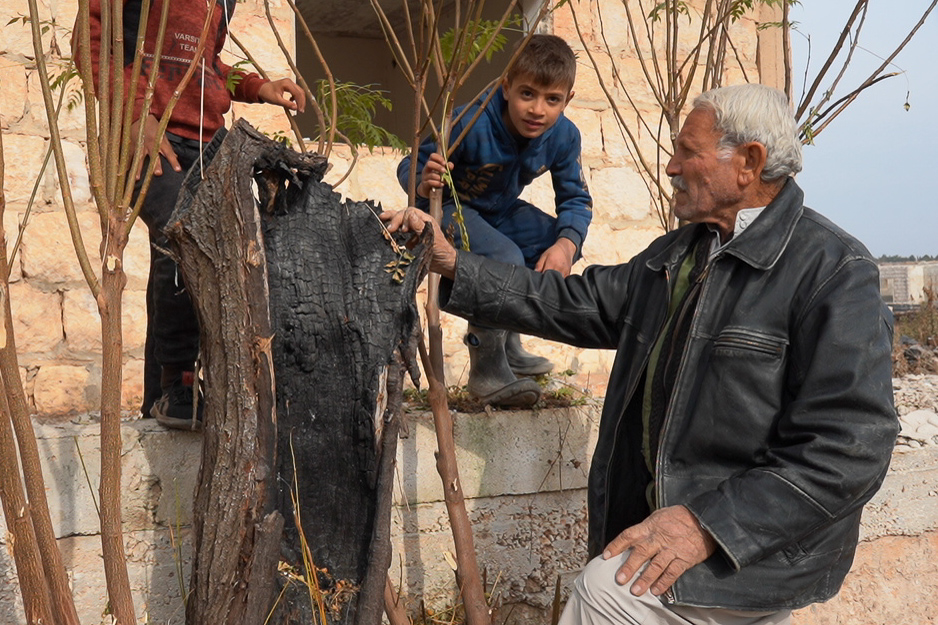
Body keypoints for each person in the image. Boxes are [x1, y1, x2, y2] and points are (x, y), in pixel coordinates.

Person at [383, 83, 898, 625]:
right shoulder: (682, 254)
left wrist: (705, 527)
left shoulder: (835, 273)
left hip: (750, 550)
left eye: (688, 152)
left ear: (748, 163)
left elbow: (850, 449)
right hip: (695, 537)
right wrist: (451, 262)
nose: (671, 167)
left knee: (607, 589)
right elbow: (574, 303)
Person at [76, 0, 305, 429]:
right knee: (183, 240)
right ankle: (178, 383)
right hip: (149, 132)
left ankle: (162, 395)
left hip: (207, 143)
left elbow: (206, 65)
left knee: (192, 252)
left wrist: (258, 87)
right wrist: (133, 114)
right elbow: (92, 42)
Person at [397, 34, 592, 408]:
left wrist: (566, 245)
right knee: (504, 257)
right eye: (527, 94)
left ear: (567, 100)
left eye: (552, 100)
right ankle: (486, 367)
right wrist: (423, 181)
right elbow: (411, 165)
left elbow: (576, 200)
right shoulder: (470, 121)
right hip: (453, 209)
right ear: (506, 88)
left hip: (500, 210)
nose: (538, 109)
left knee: (554, 239)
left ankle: (510, 342)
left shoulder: (565, 136)